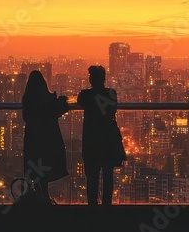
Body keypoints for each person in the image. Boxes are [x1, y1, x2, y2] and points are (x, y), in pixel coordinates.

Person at [78, 65, 125, 206]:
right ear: (104, 79)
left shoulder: (86, 95)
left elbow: (80, 101)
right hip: (108, 140)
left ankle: (93, 207)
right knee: (108, 176)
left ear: (91, 79)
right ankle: (106, 207)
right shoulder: (111, 93)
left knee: (92, 177)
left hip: (91, 141)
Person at [21, 70, 69, 203]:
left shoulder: (27, 99)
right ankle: (45, 197)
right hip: (48, 136)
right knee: (45, 163)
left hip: (33, 137)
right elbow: (57, 112)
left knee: (35, 164)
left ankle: (40, 197)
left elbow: (26, 117)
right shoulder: (49, 98)